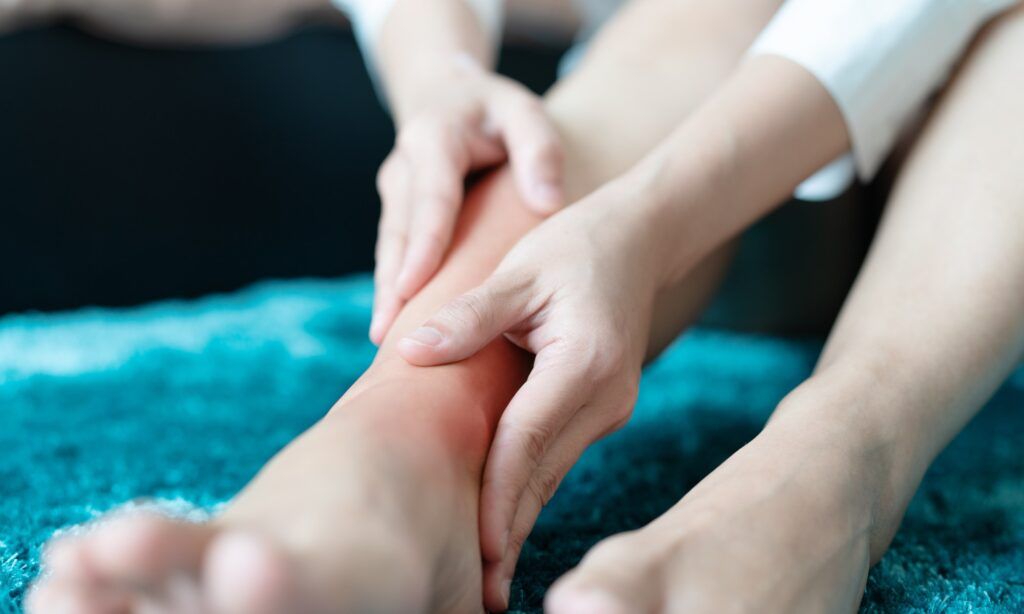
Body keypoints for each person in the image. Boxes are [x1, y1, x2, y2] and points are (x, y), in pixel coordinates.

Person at [26, 1, 1024, 613]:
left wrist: (650, 217)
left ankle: (828, 473)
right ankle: (401, 455)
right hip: (718, 117)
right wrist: (439, 71)